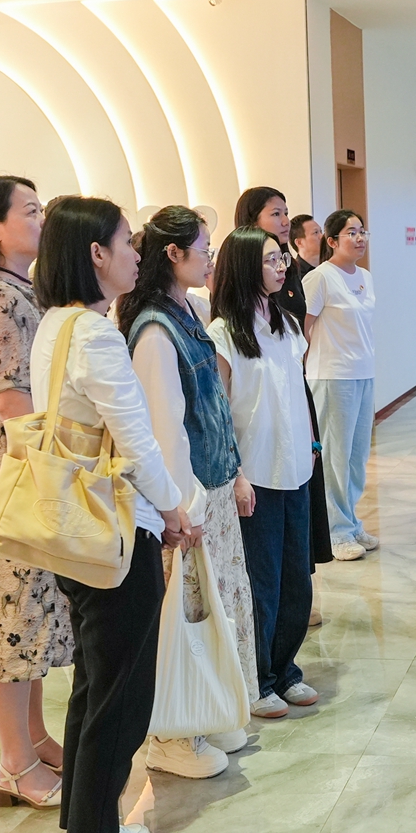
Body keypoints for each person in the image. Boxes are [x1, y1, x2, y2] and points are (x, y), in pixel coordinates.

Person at [33, 196, 196, 833]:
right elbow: (137, 441)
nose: (136, 253)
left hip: (78, 532)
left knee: (95, 688)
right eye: (127, 241)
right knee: (119, 701)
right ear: (96, 253)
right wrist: (175, 508)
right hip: (114, 534)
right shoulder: (95, 333)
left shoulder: (56, 324)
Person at [122, 206, 257, 782]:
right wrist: (180, 507)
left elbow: (215, 407)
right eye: (204, 248)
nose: (211, 257)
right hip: (188, 498)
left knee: (215, 607)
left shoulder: (190, 311)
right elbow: (164, 429)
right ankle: (172, 735)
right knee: (185, 616)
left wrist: (236, 472)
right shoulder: (155, 329)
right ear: (173, 254)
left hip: (214, 486)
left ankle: (209, 712)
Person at [0, 176, 73, 813]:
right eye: (29, 210)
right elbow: (10, 403)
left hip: (26, 463)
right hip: (10, 469)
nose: (41, 218)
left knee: (30, 611)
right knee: (8, 616)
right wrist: (54, 466)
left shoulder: (23, 288)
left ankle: (35, 738)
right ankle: (15, 764)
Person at [209, 227, 318, 720]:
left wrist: (312, 445)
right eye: (271, 259)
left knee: (297, 579)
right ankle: (256, 680)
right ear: (244, 266)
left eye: (282, 259)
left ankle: (285, 669)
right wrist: (235, 474)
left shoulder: (289, 325)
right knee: (261, 583)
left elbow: (298, 393)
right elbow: (219, 413)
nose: (281, 267)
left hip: (296, 469)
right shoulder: (222, 334)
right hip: (254, 475)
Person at [234, 186, 333, 573]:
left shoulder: (288, 272)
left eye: (286, 212)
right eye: (275, 213)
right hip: (262, 407)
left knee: (302, 499)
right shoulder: (236, 308)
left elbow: (299, 335)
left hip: (293, 386)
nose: (285, 220)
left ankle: (300, 575)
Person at [304, 209, 379, 560]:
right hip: (332, 375)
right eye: (352, 232)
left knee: (356, 457)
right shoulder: (320, 277)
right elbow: (303, 329)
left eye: (362, 231)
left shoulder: (365, 276)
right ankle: (336, 532)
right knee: (335, 457)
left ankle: (350, 520)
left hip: (363, 373)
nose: (360, 238)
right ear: (332, 241)